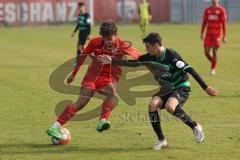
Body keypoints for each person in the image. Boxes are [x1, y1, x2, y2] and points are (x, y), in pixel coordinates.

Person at [98, 32, 219, 150]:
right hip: (167, 87)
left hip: (181, 86)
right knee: (152, 105)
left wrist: (205, 87)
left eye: (148, 47)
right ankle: (162, 140)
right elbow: (134, 63)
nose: (146, 50)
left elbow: (190, 69)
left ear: (156, 46)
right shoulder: (150, 56)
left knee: (170, 107)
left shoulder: (171, 55)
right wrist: (112, 61)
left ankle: (195, 127)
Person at [46, 20, 142, 139]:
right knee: (81, 102)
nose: (106, 41)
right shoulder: (95, 42)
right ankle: (54, 127)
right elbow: (82, 57)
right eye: (104, 38)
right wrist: (74, 74)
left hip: (108, 78)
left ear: (115, 34)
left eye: (109, 38)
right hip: (92, 76)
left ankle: (102, 121)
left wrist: (114, 61)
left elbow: (140, 59)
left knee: (111, 92)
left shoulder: (123, 45)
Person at [201, 0, 227, 75]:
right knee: (206, 52)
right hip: (208, 34)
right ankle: (214, 62)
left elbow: (224, 24)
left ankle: (213, 68)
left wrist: (225, 36)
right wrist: (202, 33)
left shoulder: (222, 10)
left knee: (214, 50)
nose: (214, 1)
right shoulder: (207, 10)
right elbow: (204, 22)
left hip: (217, 34)